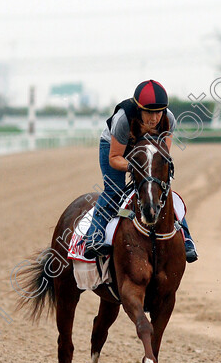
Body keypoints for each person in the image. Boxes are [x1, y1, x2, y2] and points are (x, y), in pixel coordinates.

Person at [82, 79, 198, 262]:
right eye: (149, 113)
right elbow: (114, 158)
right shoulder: (122, 120)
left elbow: (163, 157)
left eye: (158, 112)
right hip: (117, 148)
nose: (154, 118)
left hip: (149, 150)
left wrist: (152, 173)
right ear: (138, 109)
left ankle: (187, 239)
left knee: (164, 190)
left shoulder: (169, 119)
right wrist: (135, 167)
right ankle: (93, 237)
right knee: (115, 189)